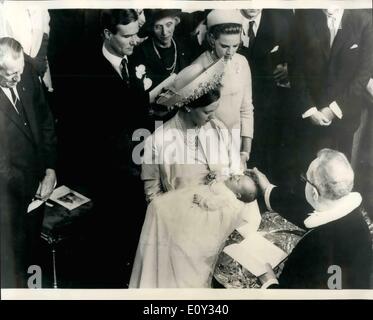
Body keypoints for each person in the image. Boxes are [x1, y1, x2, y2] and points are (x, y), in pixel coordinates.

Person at [249, 148, 372, 289]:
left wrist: (269, 282)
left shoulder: (314, 246)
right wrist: (267, 189)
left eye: (305, 179)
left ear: (314, 192)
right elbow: (307, 211)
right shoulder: (352, 212)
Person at [129, 173, 258, 288]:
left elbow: (213, 203)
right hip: (193, 195)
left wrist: (203, 201)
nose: (236, 177)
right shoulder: (226, 185)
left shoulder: (228, 197)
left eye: (238, 181)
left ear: (238, 194)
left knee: (182, 239)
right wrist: (214, 178)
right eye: (239, 176)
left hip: (201, 209)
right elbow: (218, 183)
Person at [141, 59, 241, 203]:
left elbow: (237, 169)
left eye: (214, 110)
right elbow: (153, 196)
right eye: (207, 112)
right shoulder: (157, 141)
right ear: (188, 107)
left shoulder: (218, 127)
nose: (213, 117)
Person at [0, 37, 57, 287]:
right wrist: (30, 188)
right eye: (12, 74)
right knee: (12, 263)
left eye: (20, 70)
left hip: (38, 185)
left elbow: (46, 123)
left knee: (34, 251)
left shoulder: (26, 76)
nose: (18, 78)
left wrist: (50, 168)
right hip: (10, 199)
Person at [292, 8, 373, 169]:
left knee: (341, 175)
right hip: (311, 116)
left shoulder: (364, 21)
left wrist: (332, 110)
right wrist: (309, 109)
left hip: (345, 116)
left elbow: (363, 75)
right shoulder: (304, 16)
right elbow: (296, 68)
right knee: (311, 172)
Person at [192, 10, 254, 169]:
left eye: (235, 45)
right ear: (212, 39)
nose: (231, 52)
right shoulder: (198, 67)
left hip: (235, 141)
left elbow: (246, 109)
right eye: (225, 46)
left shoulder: (242, 62)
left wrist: (245, 152)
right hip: (206, 143)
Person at [239, 9, 295, 184]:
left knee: (270, 153)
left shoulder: (282, 19)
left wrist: (289, 70)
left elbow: (298, 52)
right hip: (237, 102)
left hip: (270, 103)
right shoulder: (223, 16)